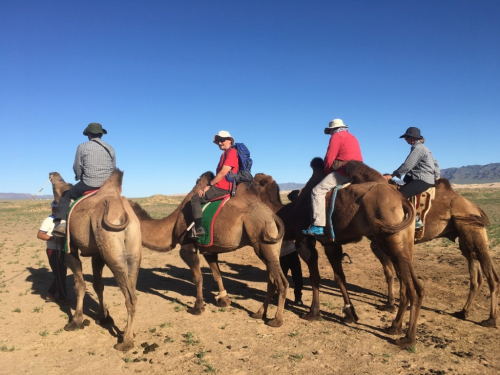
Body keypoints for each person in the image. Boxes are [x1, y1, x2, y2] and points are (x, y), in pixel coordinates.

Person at [53, 123, 116, 237]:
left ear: (89, 134)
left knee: (66, 196)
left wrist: (79, 176)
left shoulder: (82, 147)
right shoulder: (110, 148)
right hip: (108, 185)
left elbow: (77, 167)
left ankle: (61, 224)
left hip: (89, 183)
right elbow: (114, 167)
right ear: (101, 134)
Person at [302, 119, 363, 236]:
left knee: (317, 191)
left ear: (332, 129)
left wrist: (327, 171)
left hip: (344, 171)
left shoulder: (337, 136)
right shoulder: (352, 137)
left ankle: (318, 226)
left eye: (330, 131)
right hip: (358, 170)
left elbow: (330, 157)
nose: (330, 133)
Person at [384, 127, 440, 227]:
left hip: (421, 179)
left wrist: (392, 175)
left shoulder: (417, 148)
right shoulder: (425, 148)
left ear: (412, 138)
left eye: (407, 137)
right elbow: (435, 163)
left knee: (398, 196)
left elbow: (407, 165)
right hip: (426, 178)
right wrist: (437, 175)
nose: (405, 139)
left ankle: (415, 219)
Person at [190, 130, 239, 239]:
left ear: (229, 141)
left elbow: (223, 172)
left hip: (223, 187)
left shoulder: (231, 152)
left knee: (195, 199)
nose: (220, 143)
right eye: (218, 141)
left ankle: (198, 229)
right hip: (224, 185)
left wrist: (209, 185)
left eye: (222, 140)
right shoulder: (225, 153)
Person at [37, 201, 69, 304]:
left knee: (61, 273)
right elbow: (40, 234)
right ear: (53, 209)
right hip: (53, 250)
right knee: (60, 274)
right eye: (55, 209)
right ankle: (62, 297)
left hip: (63, 250)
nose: (56, 210)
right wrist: (53, 239)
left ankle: (51, 294)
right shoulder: (49, 220)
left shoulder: (64, 220)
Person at [280, 240, 303, 306]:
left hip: (292, 252)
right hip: (281, 255)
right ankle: (281, 297)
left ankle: (298, 297)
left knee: (298, 277)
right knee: (281, 279)